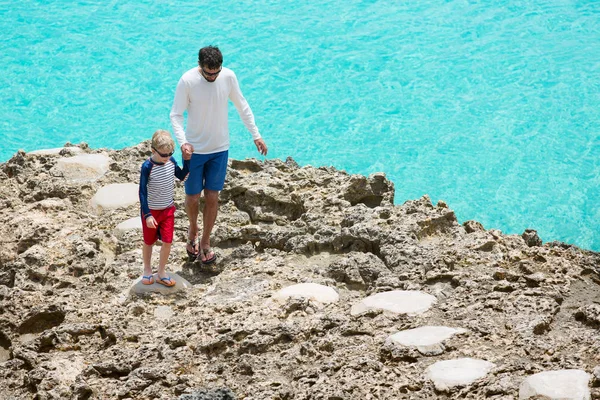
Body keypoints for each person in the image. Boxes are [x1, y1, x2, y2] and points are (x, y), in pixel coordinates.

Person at [170, 45, 267, 264]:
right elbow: (176, 114)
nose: (212, 76)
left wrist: (256, 135)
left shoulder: (228, 76)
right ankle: (193, 229)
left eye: (216, 72)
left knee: (213, 196)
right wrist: (183, 142)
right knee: (193, 197)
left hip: (219, 148)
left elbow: (242, 106)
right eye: (208, 72)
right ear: (200, 66)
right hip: (194, 150)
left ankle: (205, 241)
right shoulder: (187, 81)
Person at [139, 129, 190, 287]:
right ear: (153, 150)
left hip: (168, 209)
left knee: (168, 241)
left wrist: (186, 159)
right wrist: (147, 215)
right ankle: (147, 270)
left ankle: (161, 272)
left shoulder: (172, 161)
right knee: (149, 241)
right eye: (164, 155)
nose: (167, 158)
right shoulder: (148, 166)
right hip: (152, 211)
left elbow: (181, 176)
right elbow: (142, 192)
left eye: (170, 154)